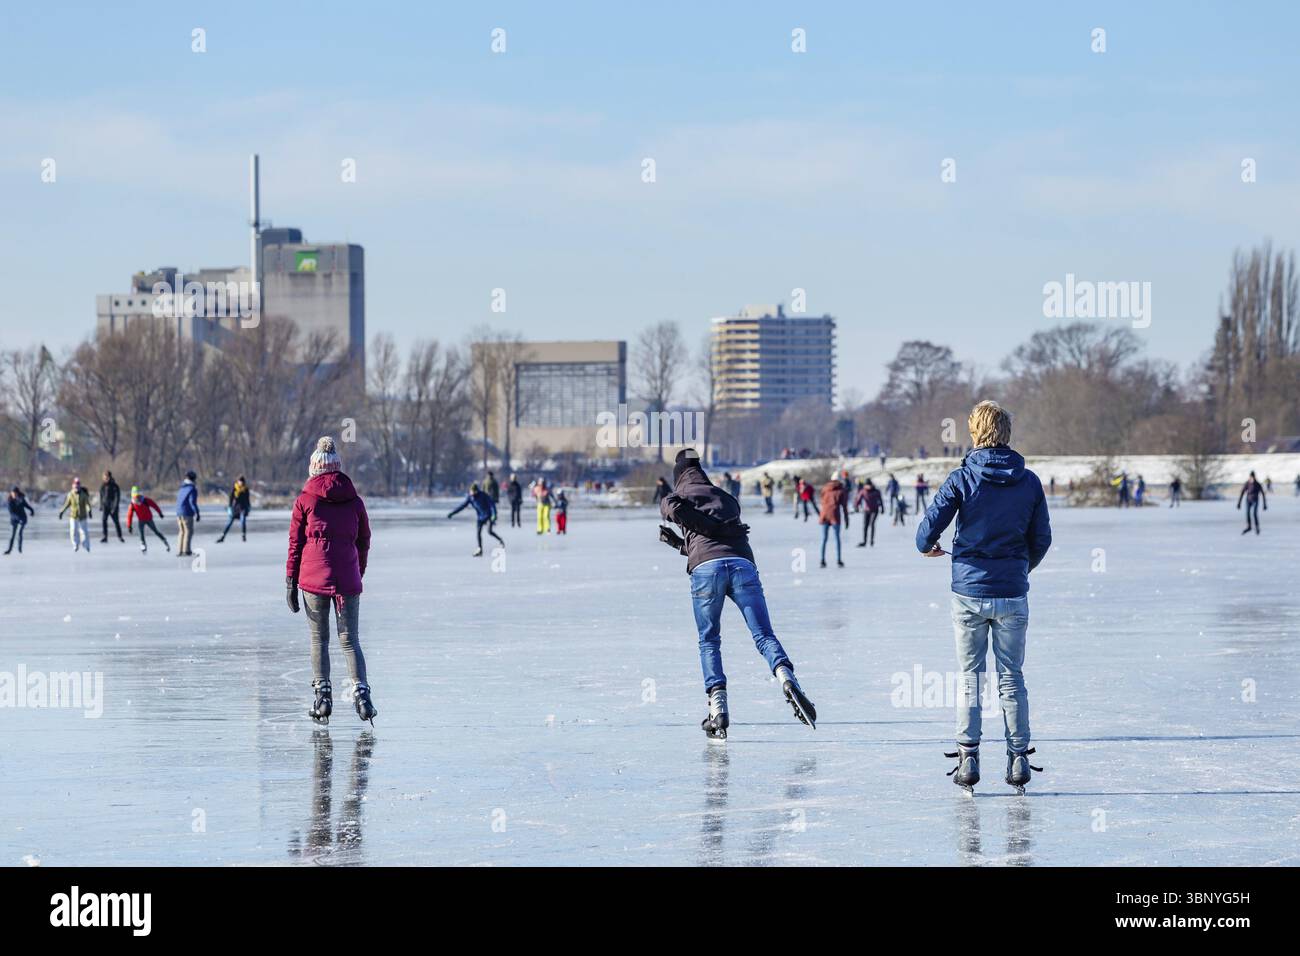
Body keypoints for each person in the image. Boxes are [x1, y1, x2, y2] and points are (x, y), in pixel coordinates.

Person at [916, 400, 1051, 793]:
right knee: (1012, 677)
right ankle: (1018, 760)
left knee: (970, 678)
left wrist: (930, 547)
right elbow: (1041, 539)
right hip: (1012, 592)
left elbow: (925, 533)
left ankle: (968, 758)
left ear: (975, 433)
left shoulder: (962, 478)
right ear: (1007, 433)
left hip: (969, 592)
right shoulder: (1029, 481)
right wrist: (1019, 569)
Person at [658, 448, 816, 740]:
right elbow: (721, 540)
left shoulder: (674, 497)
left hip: (706, 570)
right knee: (764, 634)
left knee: (709, 640)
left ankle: (718, 709)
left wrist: (678, 526)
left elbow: (677, 514)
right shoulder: (727, 498)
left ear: (678, 474)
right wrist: (682, 545)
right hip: (743, 565)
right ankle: (787, 678)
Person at [286, 436, 377, 726]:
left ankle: (323, 699)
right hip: (346, 579)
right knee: (350, 640)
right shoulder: (355, 501)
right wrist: (357, 571)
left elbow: (295, 544)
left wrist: (290, 579)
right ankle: (362, 698)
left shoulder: (304, 501)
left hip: (312, 580)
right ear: (338, 469)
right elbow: (364, 540)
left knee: (319, 639)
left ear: (314, 468)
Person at [448, 482, 504, 556]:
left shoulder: (483, 495)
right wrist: (453, 513)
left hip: (488, 516)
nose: (472, 493)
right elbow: (462, 506)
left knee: (489, 531)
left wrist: (494, 514)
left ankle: (500, 540)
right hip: (480, 518)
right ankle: (480, 549)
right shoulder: (470, 498)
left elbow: (491, 505)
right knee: (478, 533)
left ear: (477, 491)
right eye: (471, 492)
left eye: (474, 492)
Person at [818, 473, 848, 568]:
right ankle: (838, 560)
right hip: (834, 515)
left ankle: (822, 560)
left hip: (824, 515)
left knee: (824, 539)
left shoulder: (825, 488)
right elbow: (844, 506)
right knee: (837, 538)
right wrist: (847, 519)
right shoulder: (841, 490)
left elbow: (821, 501)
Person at [126, 486, 170, 552]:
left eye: (137, 496)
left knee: (155, 531)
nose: (136, 498)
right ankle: (143, 544)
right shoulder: (132, 505)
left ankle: (164, 540)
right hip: (141, 520)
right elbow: (129, 516)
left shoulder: (145, 500)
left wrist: (160, 513)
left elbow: (154, 505)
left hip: (149, 519)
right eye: (135, 496)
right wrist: (129, 526)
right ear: (132, 496)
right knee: (141, 533)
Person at [58, 477, 93, 552]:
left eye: (78, 484)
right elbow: (66, 504)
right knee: (73, 530)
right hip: (73, 516)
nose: (77, 486)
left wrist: (89, 511)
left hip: (82, 516)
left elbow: (87, 504)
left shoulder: (83, 495)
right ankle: (75, 544)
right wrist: (61, 512)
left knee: (84, 531)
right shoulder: (70, 495)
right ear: (73, 485)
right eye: (75, 485)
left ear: (80, 485)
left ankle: (86, 545)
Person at [217, 476, 251, 543]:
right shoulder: (234, 488)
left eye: (242, 481)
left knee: (243, 521)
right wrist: (229, 507)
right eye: (239, 481)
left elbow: (247, 499)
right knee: (229, 523)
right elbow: (231, 498)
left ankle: (243, 535)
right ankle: (223, 536)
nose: (241, 482)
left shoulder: (246, 489)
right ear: (237, 482)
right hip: (235, 508)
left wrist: (249, 507)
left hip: (243, 508)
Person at [175, 470, 201, 556]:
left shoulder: (182, 487)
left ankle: (180, 550)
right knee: (188, 531)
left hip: (178, 512)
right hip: (187, 512)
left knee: (182, 531)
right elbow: (192, 502)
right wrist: (197, 513)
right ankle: (187, 551)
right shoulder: (192, 489)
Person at [5, 486, 35, 555]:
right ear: (11, 493)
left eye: (16, 493)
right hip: (14, 519)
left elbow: (26, 505)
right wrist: (18, 518)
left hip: (23, 518)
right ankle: (9, 550)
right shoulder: (10, 501)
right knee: (12, 535)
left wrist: (32, 510)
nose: (14, 494)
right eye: (13, 493)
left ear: (18, 493)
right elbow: (12, 513)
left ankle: (19, 550)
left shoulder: (21, 499)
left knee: (19, 533)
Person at [855, 478, 884, 547]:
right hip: (866, 510)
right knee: (865, 526)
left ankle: (871, 541)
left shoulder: (876, 491)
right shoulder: (863, 491)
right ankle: (864, 541)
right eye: (866, 485)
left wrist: (882, 508)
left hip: (875, 510)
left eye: (869, 485)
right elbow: (858, 499)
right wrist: (856, 506)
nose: (867, 487)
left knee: (872, 524)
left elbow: (880, 500)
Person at [1236, 471, 1267, 535]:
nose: (1251, 478)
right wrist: (1239, 503)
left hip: (1255, 500)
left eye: (1252, 477)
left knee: (1254, 513)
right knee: (1247, 513)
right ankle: (1249, 526)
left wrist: (1264, 504)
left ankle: (1257, 527)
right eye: (1250, 477)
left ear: (1254, 477)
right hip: (1248, 500)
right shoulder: (1247, 483)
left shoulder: (1257, 484)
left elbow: (1263, 494)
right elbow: (1242, 493)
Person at [99, 470, 125, 543]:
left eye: (106, 477)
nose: (105, 478)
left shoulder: (115, 486)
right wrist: (101, 505)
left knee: (116, 522)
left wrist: (115, 507)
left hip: (113, 507)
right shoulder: (102, 486)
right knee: (104, 520)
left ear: (110, 477)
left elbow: (117, 497)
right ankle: (105, 536)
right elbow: (101, 496)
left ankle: (120, 536)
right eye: (104, 477)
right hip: (105, 506)